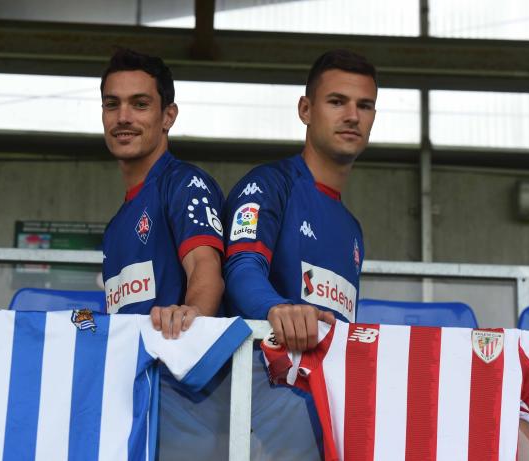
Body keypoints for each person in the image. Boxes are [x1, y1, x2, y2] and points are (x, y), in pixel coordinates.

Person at [222, 49, 378, 459]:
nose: (352, 116)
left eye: (364, 105)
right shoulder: (270, 185)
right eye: (336, 101)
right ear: (305, 109)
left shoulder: (352, 229)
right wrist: (278, 308)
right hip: (258, 415)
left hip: (326, 421)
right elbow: (240, 267)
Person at [100, 48, 228, 459]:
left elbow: (206, 270)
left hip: (183, 412)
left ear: (168, 116)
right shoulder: (118, 222)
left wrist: (191, 317)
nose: (123, 117)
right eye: (112, 104)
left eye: (140, 104)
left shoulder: (184, 184)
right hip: (130, 412)